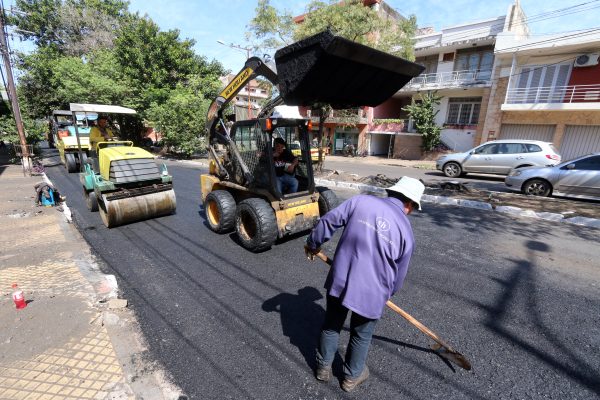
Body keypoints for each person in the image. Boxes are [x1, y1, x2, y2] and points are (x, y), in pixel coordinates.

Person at [304, 176, 425, 392]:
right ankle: (351, 377)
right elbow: (399, 276)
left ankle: (323, 368)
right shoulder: (406, 232)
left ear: (392, 192)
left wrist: (313, 243)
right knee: (361, 334)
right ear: (410, 204)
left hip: (342, 279)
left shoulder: (360, 201)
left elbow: (328, 222)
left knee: (332, 324)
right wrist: (387, 293)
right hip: (373, 292)